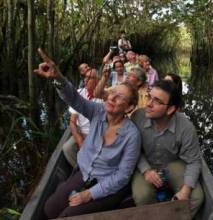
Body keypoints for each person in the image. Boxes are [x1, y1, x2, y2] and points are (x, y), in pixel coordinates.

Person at [34, 48, 141, 218]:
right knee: (49, 209)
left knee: (67, 216)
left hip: (108, 184)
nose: (112, 98)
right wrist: (58, 78)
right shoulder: (98, 111)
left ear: (129, 107)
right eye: (113, 93)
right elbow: (75, 100)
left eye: (120, 97)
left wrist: (90, 194)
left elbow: (122, 176)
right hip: (84, 173)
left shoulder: (132, 135)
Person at [130, 80, 204, 217]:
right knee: (142, 197)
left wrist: (185, 191)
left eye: (157, 101)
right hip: (145, 162)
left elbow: (194, 161)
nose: (148, 104)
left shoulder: (186, 127)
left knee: (196, 197)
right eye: (149, 97)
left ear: (170, 109)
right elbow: (132, 150)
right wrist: (146, 170)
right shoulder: (137, 117)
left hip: (173, 163)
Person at [62, 68, 102, 168]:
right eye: (85, 77)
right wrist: (80, 140)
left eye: (90, 78)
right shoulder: (78, 93)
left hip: (97, 133)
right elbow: (72, 121)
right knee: (67, 148)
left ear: (97, 80)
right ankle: (81, 170)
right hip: (81, 132)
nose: (86, 80)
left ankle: (97, 169)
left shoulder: (103, 96)